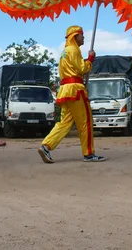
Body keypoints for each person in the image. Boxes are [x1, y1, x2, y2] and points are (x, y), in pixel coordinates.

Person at [38, 25, 106, 163]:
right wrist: (91, 60)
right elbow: (82, 68)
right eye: (81, 34)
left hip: (65, 89)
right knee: (85, 122)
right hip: (76, 89)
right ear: (75, 36)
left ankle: (46, 146)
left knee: (65, 122)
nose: (84, 37)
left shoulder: (64, 52)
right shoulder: (73, 50)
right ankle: (89, 154)